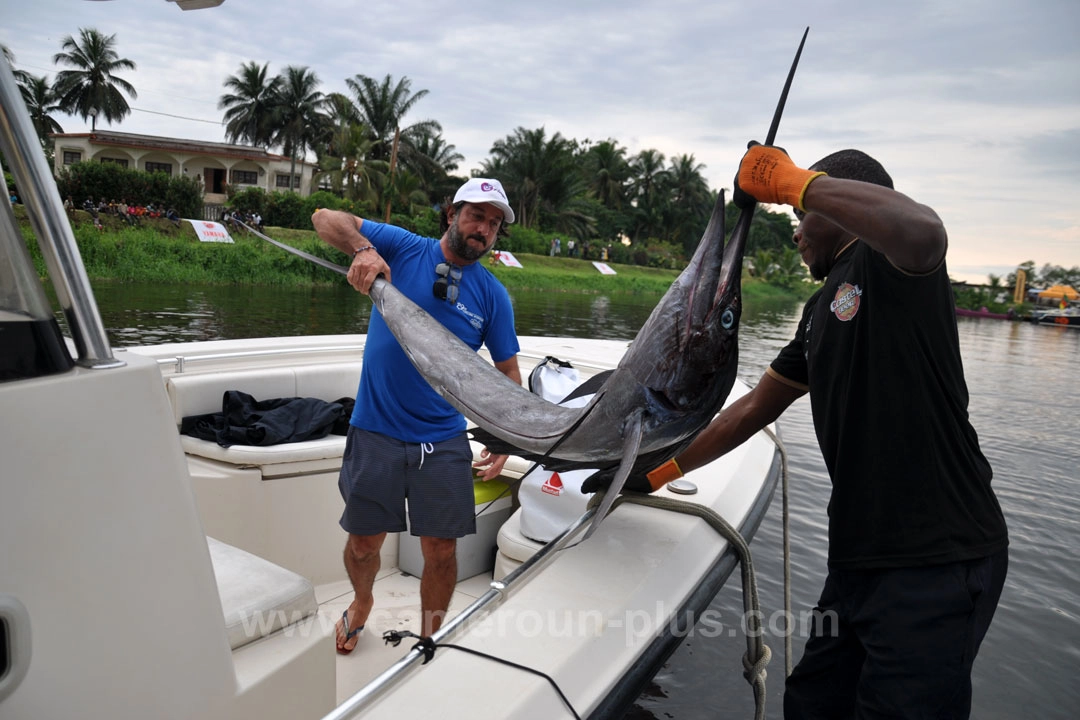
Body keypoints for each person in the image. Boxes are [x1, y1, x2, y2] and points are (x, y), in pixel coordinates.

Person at [633, 145, 1009, 718]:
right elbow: (749, 411)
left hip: (937, 560)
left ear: (840, 206)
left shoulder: (893, 266)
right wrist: (652, 474)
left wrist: (787, 181)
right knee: (812, 704)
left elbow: (922, 229)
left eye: (800, 214)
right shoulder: (817, 310)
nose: (795, 232)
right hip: (859, 559)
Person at [311, 177, 522, 654]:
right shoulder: (404, 247)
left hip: (444, 438)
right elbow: (324, 218)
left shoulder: (493, 296)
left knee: (441, 550)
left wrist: (506, 440)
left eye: (493, 224)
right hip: (376, 428)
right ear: (452, 214)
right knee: (365, 544)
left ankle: (429, 635)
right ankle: (362, 601)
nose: (483, 229)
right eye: (476, 216)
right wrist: (364, 250)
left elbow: (508, 375)